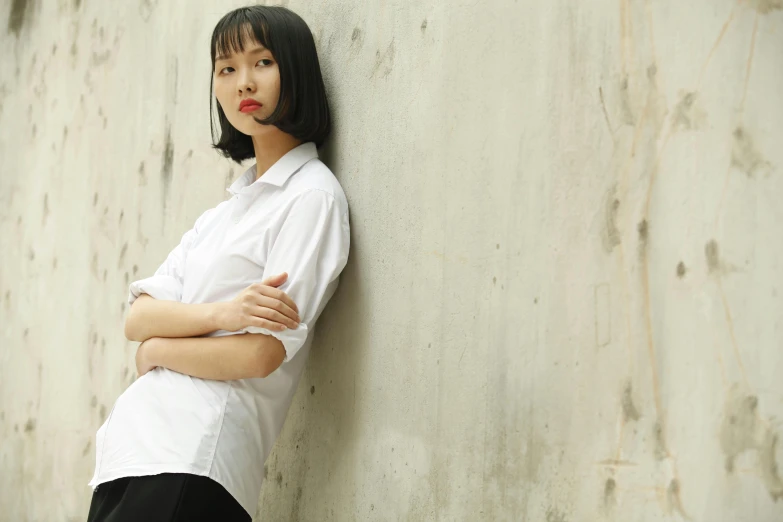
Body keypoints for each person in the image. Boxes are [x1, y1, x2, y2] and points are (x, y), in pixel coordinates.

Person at [85, 6, 350, 521]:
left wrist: (160, 349)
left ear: (294, 70)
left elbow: (259, 355)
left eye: (263, 62)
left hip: (195, 458)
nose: (242, 82)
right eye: (226, 69)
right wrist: (223, 316)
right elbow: (138, 318)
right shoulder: (223, 215)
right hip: (130, 453)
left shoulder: (312, 198)